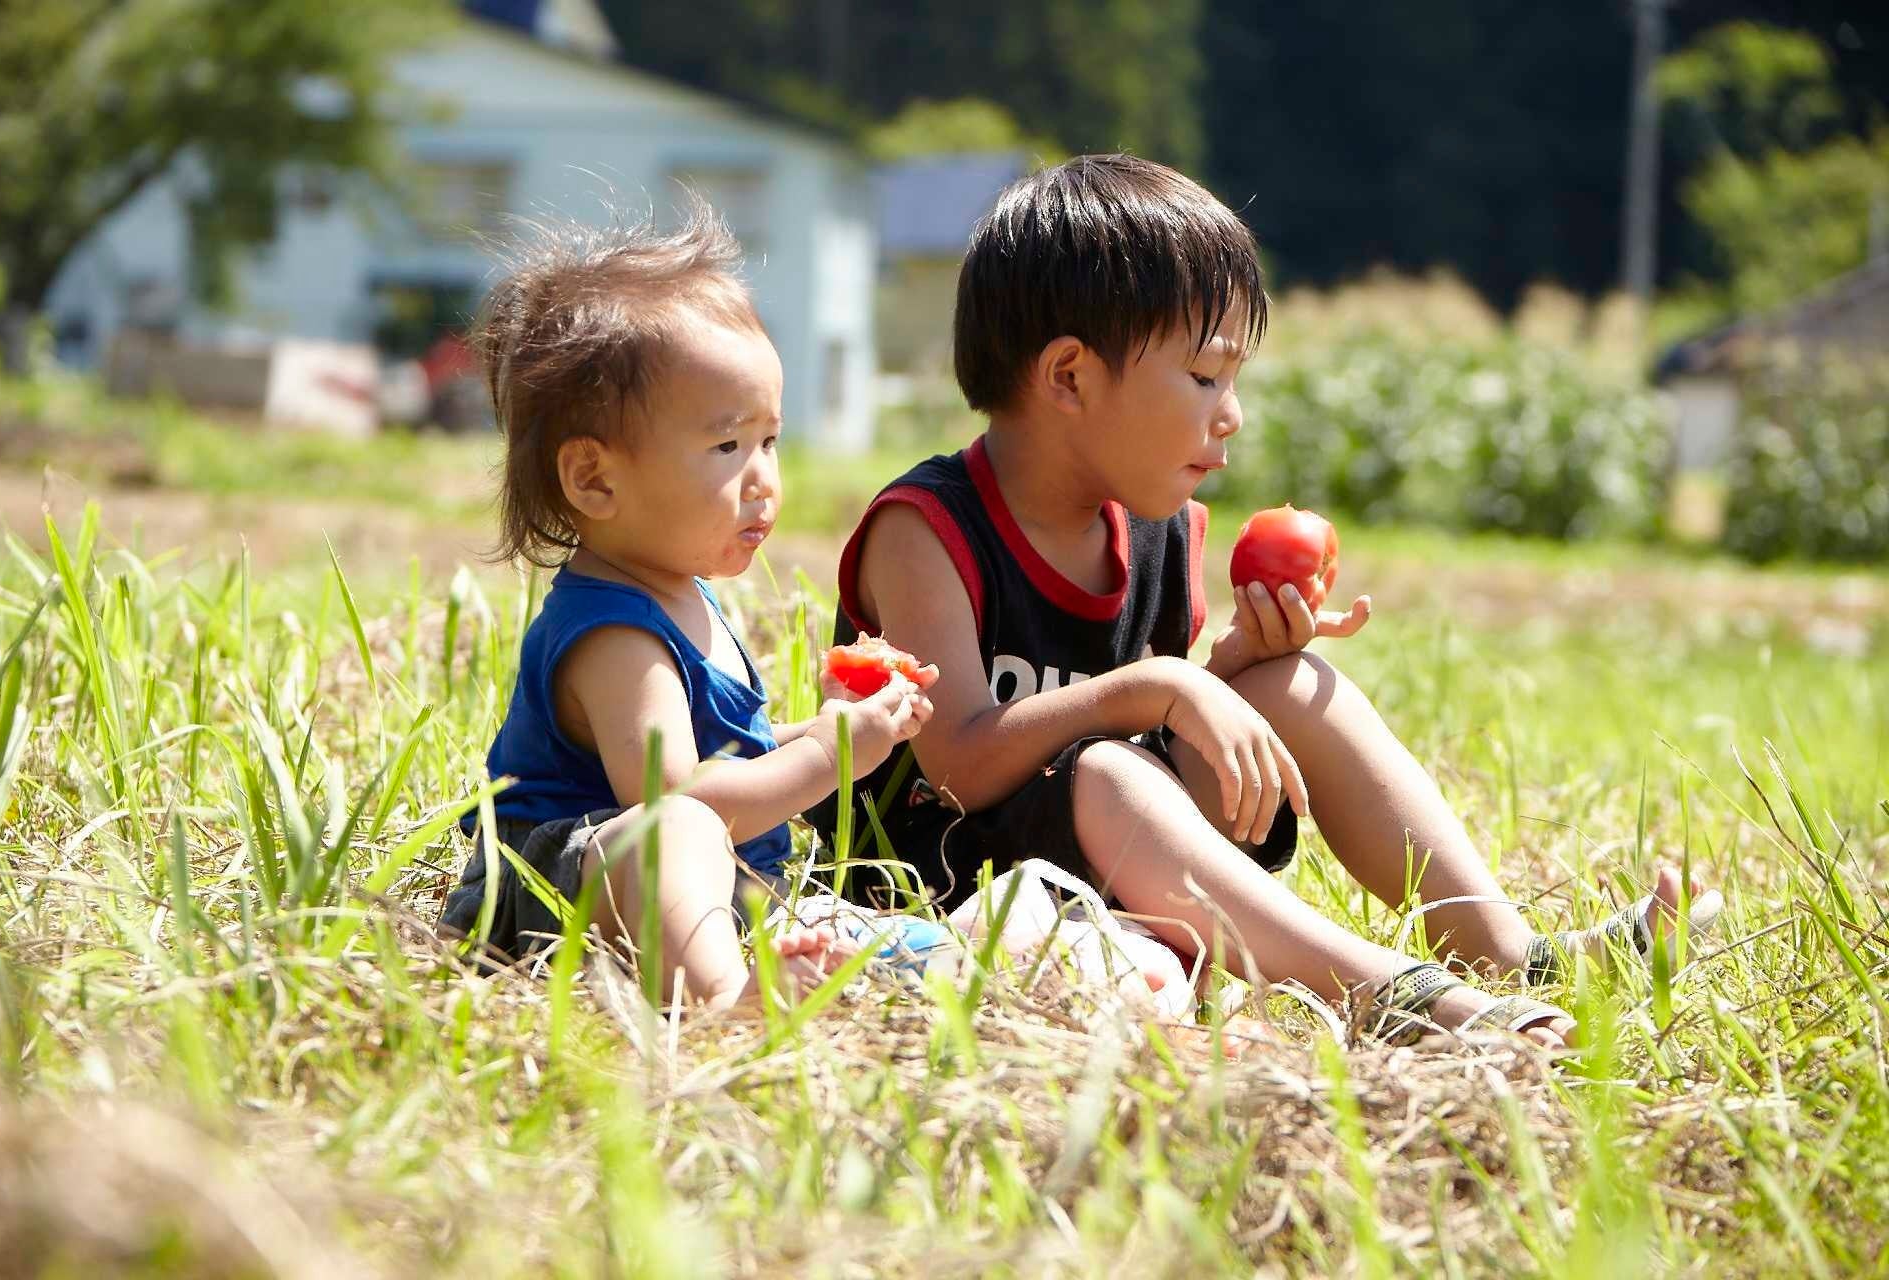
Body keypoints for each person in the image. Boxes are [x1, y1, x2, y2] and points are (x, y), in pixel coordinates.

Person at [808, 155, 1719, 1048]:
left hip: (1115, 862)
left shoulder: (1163, 532)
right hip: (936, 892)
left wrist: (1234, 671)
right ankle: (1392, 995)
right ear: (1070, 377)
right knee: (1112, 772)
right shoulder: (928, 532)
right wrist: (1157, 686)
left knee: (1292, 684)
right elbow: (961, 763)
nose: (1231, 411)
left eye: (1234, 380)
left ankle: (1513, 958)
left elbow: (1150, 731)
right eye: (1205, 376)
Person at [439, 204, 935, 1009]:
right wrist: (832, 755)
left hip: (698, 889)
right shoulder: (615, 637)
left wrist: (817, 726)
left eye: (769, 441)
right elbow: (677, 801)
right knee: (683, 831)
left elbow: (724, 757)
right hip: (546, 897)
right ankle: (723, 1005)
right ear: (595, 480)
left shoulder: (682, 593)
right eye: (725, 447)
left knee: (897, 942)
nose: (763, 477)